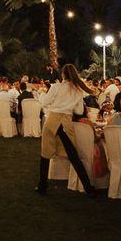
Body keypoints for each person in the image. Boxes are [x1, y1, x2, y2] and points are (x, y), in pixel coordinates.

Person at [37, 63, 96, 198]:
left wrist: (47, 98)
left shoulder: (56, 87)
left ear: (63, 74)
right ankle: (88, 188)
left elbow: (44, 102)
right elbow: (79, 111)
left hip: (53, 121)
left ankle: (42, 186)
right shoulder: (78, 90)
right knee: (73, 156)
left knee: (45, 154)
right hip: (66, 122)